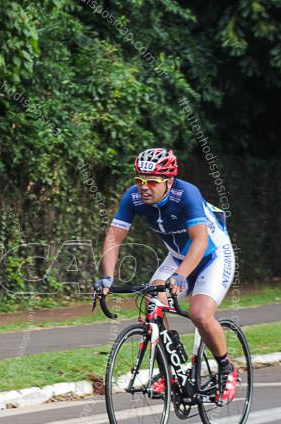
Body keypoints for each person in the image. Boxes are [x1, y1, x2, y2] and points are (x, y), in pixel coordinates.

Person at [96, 148, 238, 403]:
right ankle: (174, 371)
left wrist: (182, 275)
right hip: (178, 255)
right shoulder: (133, 198)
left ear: (169, 182)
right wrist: (106, 278)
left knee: (200, 314)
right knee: (153, 303)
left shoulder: (187, 194)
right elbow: (113, 238)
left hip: (212, 256)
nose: (144, 187)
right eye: (139, 180)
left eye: (152, 182)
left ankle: (226, 370)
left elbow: (199, 241)